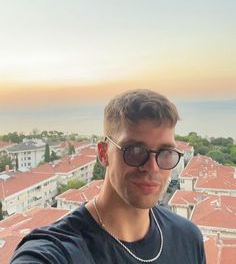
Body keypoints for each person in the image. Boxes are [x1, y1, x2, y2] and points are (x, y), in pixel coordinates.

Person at [11, 89, 206, 263]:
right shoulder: (59, 251)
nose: (152, 167)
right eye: (135, 151)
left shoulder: (187, 238)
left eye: (165, 153)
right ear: (103, 153)